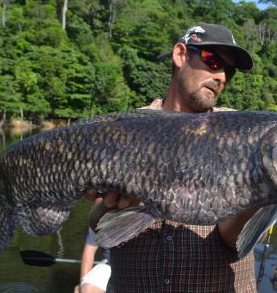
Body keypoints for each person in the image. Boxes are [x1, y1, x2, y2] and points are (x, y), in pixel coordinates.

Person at [86, 23, 259, 292]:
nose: (222, 76)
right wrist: (110, 206)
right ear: (180, 55)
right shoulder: (124, 129)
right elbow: (98, 225)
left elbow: (230, 239)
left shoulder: (243, 136)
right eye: (213, 61)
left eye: (230, 71)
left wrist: (261, 198)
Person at [75, 199, 112, 293]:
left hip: (134, 263)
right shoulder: (96, 219)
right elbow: (90, 249)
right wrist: (82, 283)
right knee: (87, 289)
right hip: (109, 263)